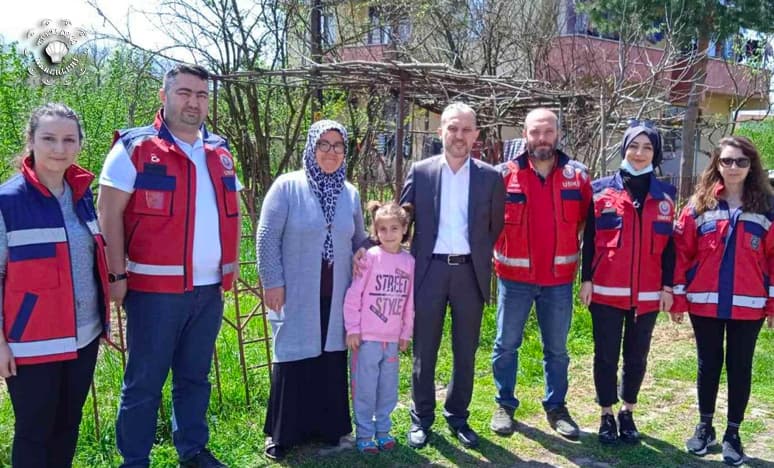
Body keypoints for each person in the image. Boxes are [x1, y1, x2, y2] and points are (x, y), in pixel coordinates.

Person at [98, 64, 240, 468]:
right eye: (183, 93)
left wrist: (230, 268)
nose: (193, 102)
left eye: (201, 94)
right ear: (163, 96)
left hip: (209, 289)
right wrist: (115, 275)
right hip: (153, 292)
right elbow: (108, 214)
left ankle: (193, 451)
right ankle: (135, 460)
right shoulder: (135, 147)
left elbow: (232, 214)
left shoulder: (220, 151)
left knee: (195, 378)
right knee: (144, 383)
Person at [0, 103, 110, 466]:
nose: (59, 149)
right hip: (32, 341)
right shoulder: (7, 201)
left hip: (84, 335)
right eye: (48, 138)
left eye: (68, 139)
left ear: (79, 145)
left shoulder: (82, 195)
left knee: (68, 425)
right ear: (30, 141)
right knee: (34, 431)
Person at [257, 119, 368, 461]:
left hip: (336, 294)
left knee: (331, 359)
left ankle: (331, 429)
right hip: (296, 290)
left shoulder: (350, 192)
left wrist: (372, 249)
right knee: (292, 357)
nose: (331, 152)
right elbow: (266, 237)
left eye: (338, 146)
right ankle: (283, 434)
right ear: (311, 147)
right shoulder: (287, 187)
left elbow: (358, 238)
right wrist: (272, 282)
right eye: (324, 144)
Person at [400, 102, 505, 449]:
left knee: (466, 351)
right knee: (424, 350)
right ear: (440, 131)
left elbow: (495, 226)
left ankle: (458, 416)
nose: (459, 136)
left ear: (476, 134)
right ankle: (421, 418)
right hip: (429, 272)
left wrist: (476, 255)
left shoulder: (491, 177)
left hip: (469, 274)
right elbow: (403, 222)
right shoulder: (421, 171)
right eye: (452, 128)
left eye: (466, 129)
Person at [672, 136, 774, 466]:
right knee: (708, 364)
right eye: (727, 161)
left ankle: (733, 432)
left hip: (749, 305)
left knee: (740, 367)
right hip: (705, 303)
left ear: (751, 166)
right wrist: (677, 296)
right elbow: (682, 253)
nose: (733, 167)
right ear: (716, 164)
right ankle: (705, 426)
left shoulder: (768, 208)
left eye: (741, 162)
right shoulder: (698, 205)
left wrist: (772, 304)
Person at [490, 108, 591, 439]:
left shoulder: (578, 177)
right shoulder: (504, 175)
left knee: (557, 350)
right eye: (535, 132)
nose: (541, 139)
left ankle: (556, 407)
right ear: (525, 133)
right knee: (506, 344)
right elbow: (485, 223)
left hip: (558, 281)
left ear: (557, 134)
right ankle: (504, 404)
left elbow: (586, 226)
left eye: (547, 132)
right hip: (514, 279)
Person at [578, 121, 676, 444]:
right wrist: (586, 280)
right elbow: (590, 240)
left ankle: (628, 412)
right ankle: (606, 413)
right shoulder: (600, 190)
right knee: (605, 356)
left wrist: (667, 288)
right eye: (634, 146)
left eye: (647, 147)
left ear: (655, 153)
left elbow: (669, 249)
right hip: (605, 291)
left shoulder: (666, 197)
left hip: (647, 295)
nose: (639, 153)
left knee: (637, 356)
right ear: (624, 148)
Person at [344, 201, 415, 454]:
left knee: (388, 389)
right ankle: (364, 434)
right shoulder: (369, 258)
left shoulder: (409, 262)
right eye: (382, 229)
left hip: (392, 340)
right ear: (375, 231)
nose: (388, 234)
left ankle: (383, 430)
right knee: (365, 388)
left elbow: (409, 301)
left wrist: (406, 332)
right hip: (367, 339)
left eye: (394, 228)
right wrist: (353, 329)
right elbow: (354, 296)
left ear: (404, 229)